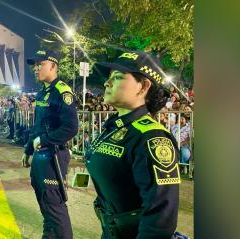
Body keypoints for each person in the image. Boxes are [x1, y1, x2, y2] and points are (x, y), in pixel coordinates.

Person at [87, 51, 180, 238]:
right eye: (109, 77)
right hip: (111, 231)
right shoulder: (114, 126)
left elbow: (160, 217)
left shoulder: (152, 137)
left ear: (144, 86)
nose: (107, 82)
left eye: (118, 77)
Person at [21, 50, 78, 239]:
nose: (36, 68)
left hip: (54, 155)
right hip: (40, 156)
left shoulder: (62, 91)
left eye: (40, 64)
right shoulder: (41, 93)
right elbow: (36, 126)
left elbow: (71, 128)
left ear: (53, 66)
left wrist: (44, 141)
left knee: (55, 207)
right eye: (35, 65)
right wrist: (28, 149)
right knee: (45, 205)